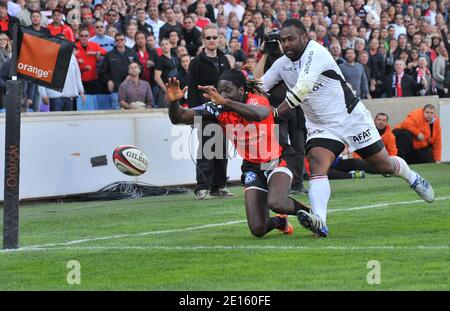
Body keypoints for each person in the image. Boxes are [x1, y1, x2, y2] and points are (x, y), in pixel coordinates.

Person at [261, 19, 434, 238]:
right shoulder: (282, 63)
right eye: (282, 41)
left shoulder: (316, 53)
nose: (286, 45)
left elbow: (302, 88)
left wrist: (275, 112)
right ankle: (320, 222)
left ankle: (411, 177)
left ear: (305, 37)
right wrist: (265, 56)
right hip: (321, 125)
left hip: (350, 118)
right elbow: (258, 86)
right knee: (316, 163)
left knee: (383, 165)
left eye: (290, 39)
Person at [166, 70, 310, 237]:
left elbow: (260, 114)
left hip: (276, 159)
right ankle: (281, 222)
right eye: (220, 90)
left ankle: (312, 215)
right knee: (258, 229)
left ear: (241, 91)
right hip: (252, 166)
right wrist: (174, 103)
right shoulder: (217, 108)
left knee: (277, 203)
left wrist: (225, 101)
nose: (222, 94)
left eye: (227, 90)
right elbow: (180, 117)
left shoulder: (256, 100)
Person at [187, 24, 231, 200]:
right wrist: (193, 116)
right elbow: (191, 90)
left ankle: (218, 186)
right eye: (209, 38)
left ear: (219, 39)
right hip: (204, 111)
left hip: (223, 111)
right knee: (206, 149)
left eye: (215, 37)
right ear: (203, 40)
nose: (212, 40)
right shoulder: (196, 62)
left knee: (222, 150)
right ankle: (202, 188)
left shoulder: (224, 59)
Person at [102, 33, 134, 109]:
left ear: (125, 40)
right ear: (115, 42)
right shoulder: (109, 55)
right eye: (117, 40)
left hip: (130, 88)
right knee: (115, 111)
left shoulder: (132, 53)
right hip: (115, 89)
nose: (120, 41)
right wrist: (108, 80)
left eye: (122, 39)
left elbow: (139, 68)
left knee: (131, 111)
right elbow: (103, 71)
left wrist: (131, 75)